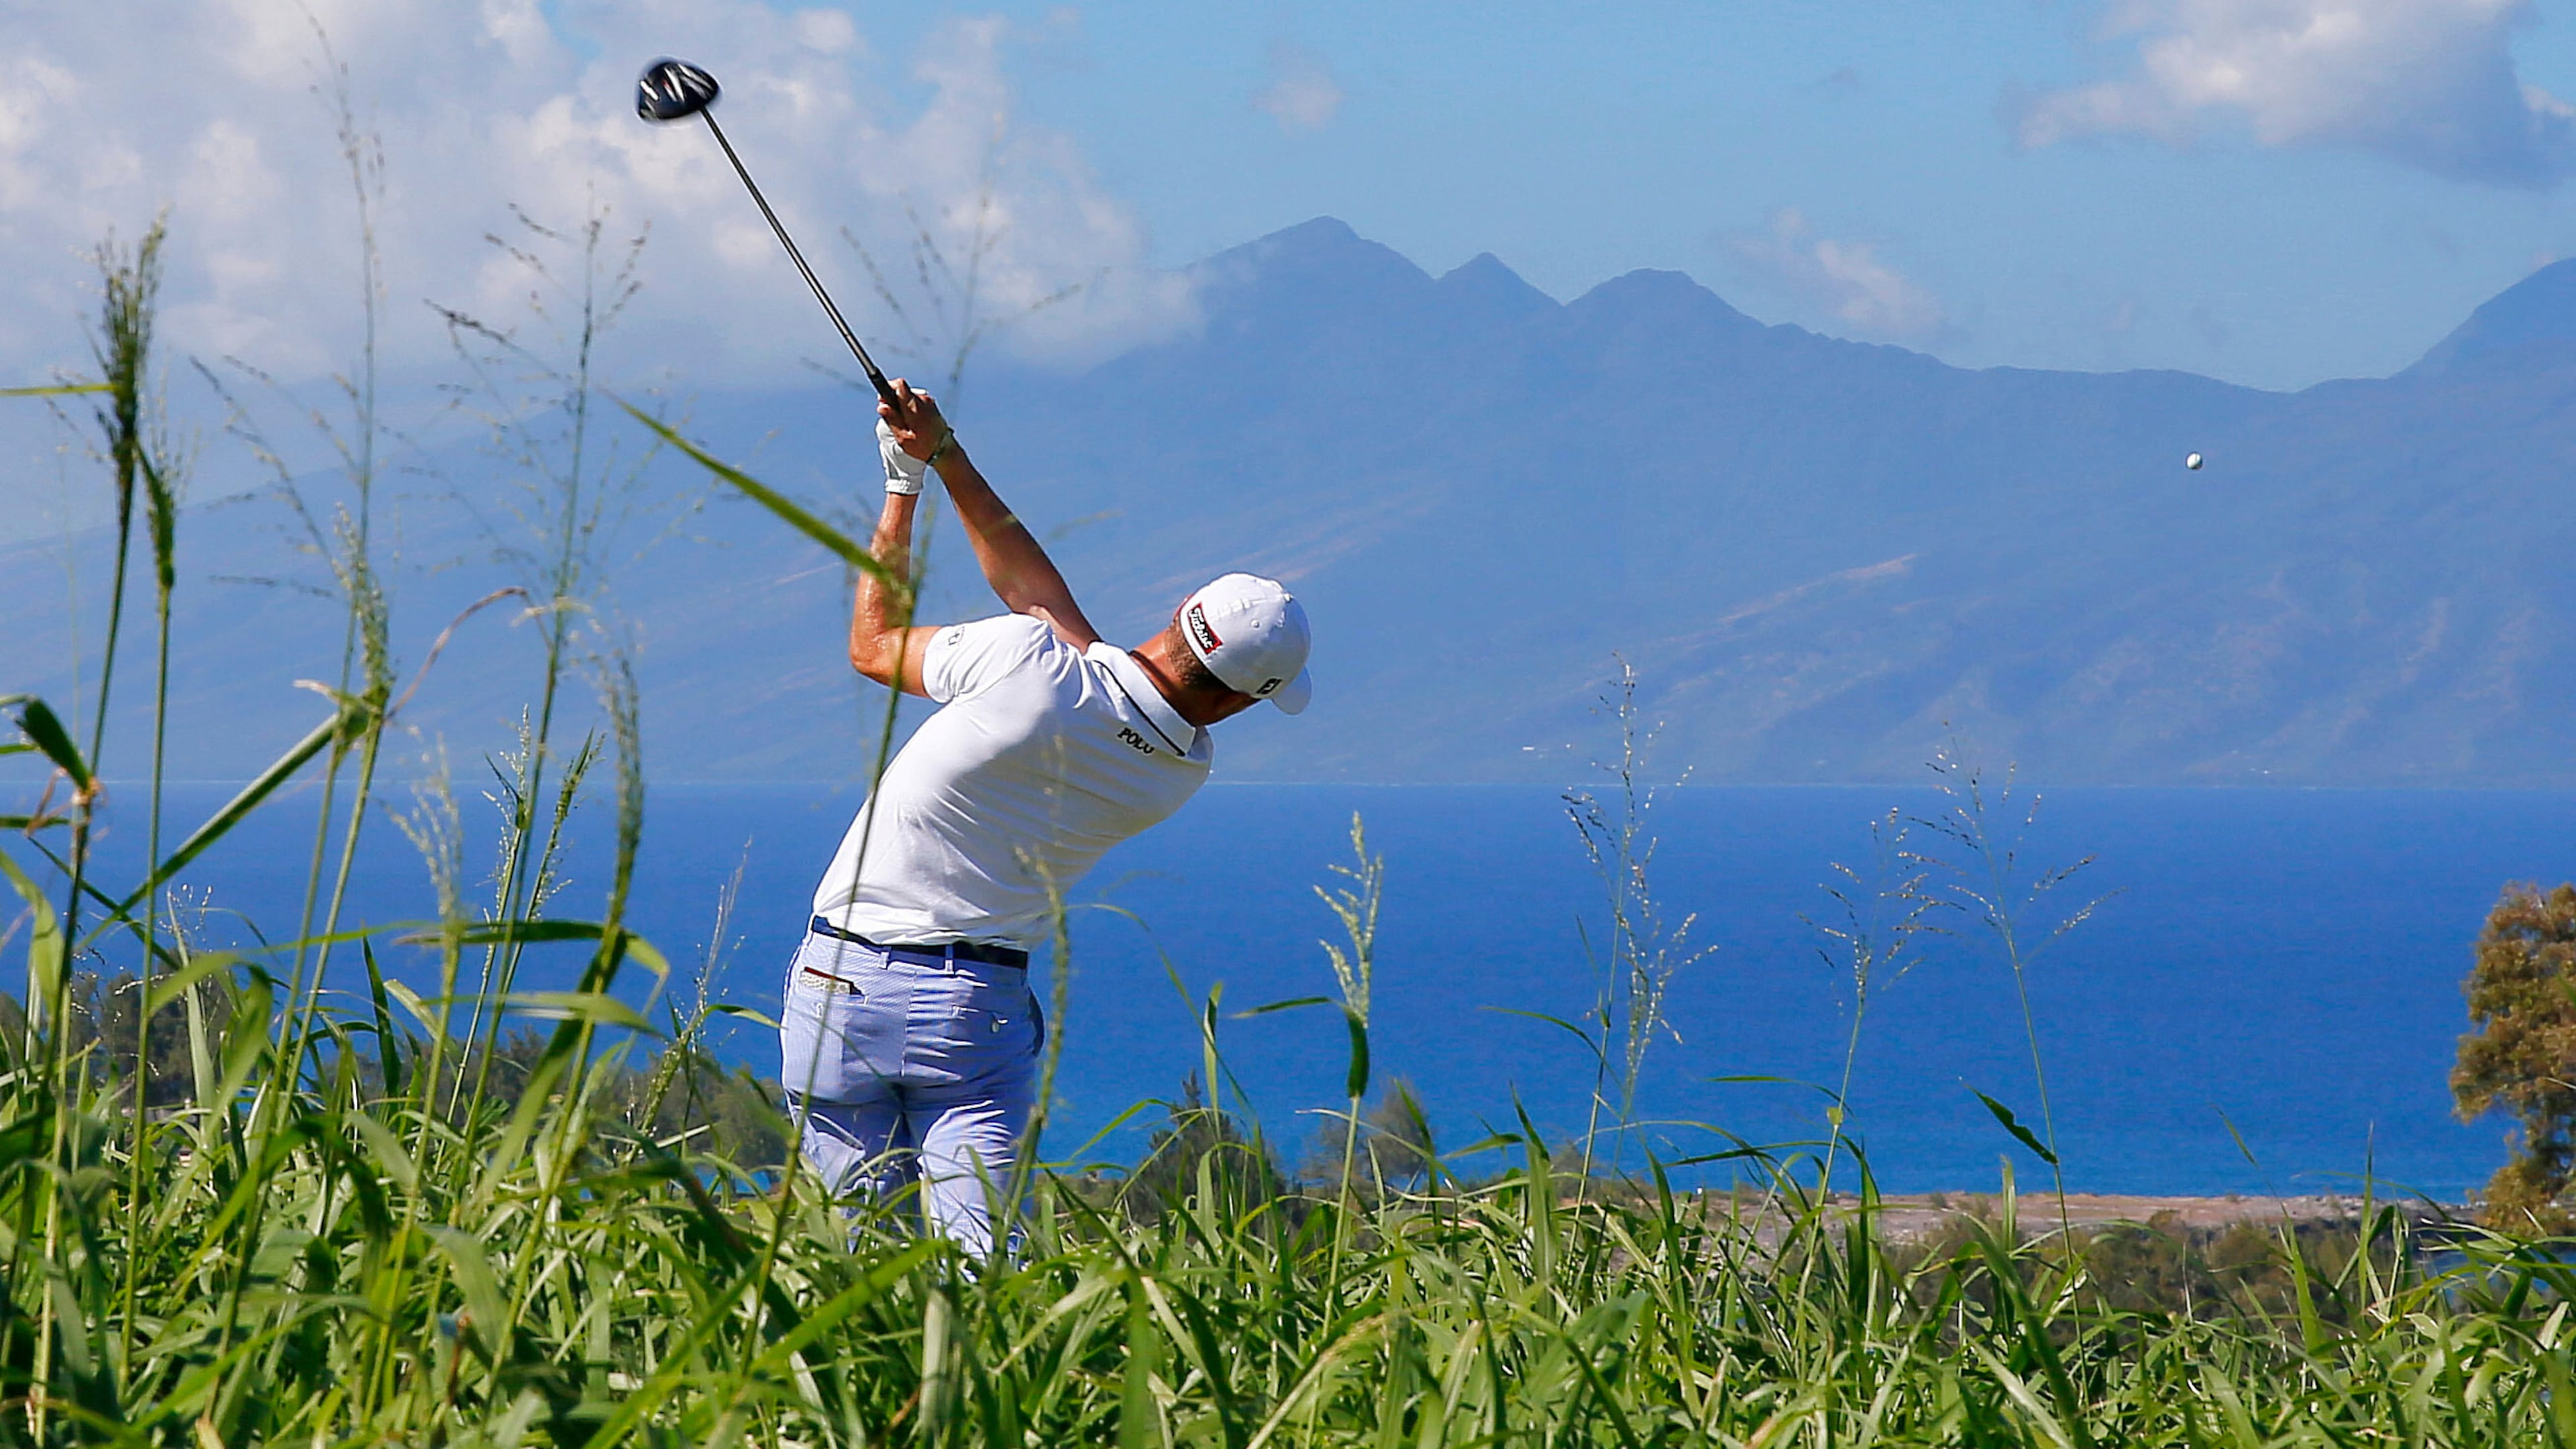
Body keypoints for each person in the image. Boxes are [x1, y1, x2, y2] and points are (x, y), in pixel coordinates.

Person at [778, 379, 1313, 1253]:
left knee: (852, 1257)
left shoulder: (1027, 662)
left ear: (1180, 615)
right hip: (971, 1012)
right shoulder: (1178, 771)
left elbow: (876, 648)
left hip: (840, 981)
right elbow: (1046, 609)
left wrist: (907, 484)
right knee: (980, 1262)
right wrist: (945, 455)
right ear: (1240, 702)